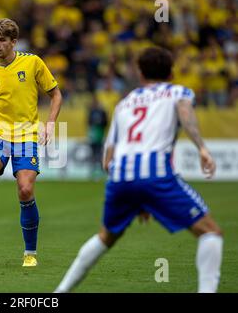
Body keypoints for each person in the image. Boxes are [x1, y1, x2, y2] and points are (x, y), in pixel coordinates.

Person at [55, 47, 223, 293]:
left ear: (140, 73)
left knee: (106, 237)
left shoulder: (125, 104)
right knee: (211, 232)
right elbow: (186, 114)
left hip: (121, 177)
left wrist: (136, 194)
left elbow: (107, 160)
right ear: (171, 72)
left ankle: (59, 293)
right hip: (155, 175)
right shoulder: (177, 91)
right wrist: (202, 148)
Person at [0, 18, 63, 267]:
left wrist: (50, 123)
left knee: (25, 190)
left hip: (26, 135)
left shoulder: (32, 62)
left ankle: (30, 253)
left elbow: (56, 94)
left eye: (2, 40)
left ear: (13, 42)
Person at [87, 96, 108, 179]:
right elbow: (88, 122)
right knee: (93, 152)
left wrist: (99, 124)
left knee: (100, 153)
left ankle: (100, 170)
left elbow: (106, 122)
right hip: (93, 134)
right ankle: (93, 170)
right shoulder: (91, 112)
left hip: (100, 134)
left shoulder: (102, 112)